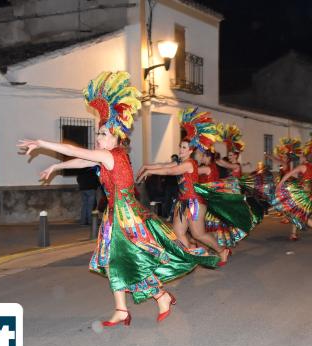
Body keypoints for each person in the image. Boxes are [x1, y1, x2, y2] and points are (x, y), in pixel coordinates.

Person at [18, 71, 220, 327]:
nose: (98, 137)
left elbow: (75, 151)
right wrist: (56, 168)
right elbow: (83, 159)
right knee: (115, 261)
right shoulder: (109, 155)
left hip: (127, 219)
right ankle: (122, 310)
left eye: (102, 133)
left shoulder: (111, 155)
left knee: (131, 260)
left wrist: (42, 143)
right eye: (99, 133)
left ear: (115, 137)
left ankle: (161, 296)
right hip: (118, 215)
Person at [137, 108, 231, 265]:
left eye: (184, 148)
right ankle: (191, 257)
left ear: (191, 150)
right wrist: (147, 166)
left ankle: (222, 250)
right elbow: (164, 164)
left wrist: (149, 172)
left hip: (195, 203)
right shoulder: (181, 161)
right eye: (180, 147)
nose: (180, 150)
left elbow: (169, 171)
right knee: (178, 232)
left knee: (198, 234)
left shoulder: (189, 164)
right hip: (183, 203)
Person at [272, 128, 312, 242]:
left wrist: (280, 185)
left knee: (301, 215)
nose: (301, 156)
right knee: (296, 212)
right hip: (309, 194)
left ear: (305, 157)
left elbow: (288, 175)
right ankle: (293, 234)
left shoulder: (302, 167)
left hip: (303, 194)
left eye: (302, 155)